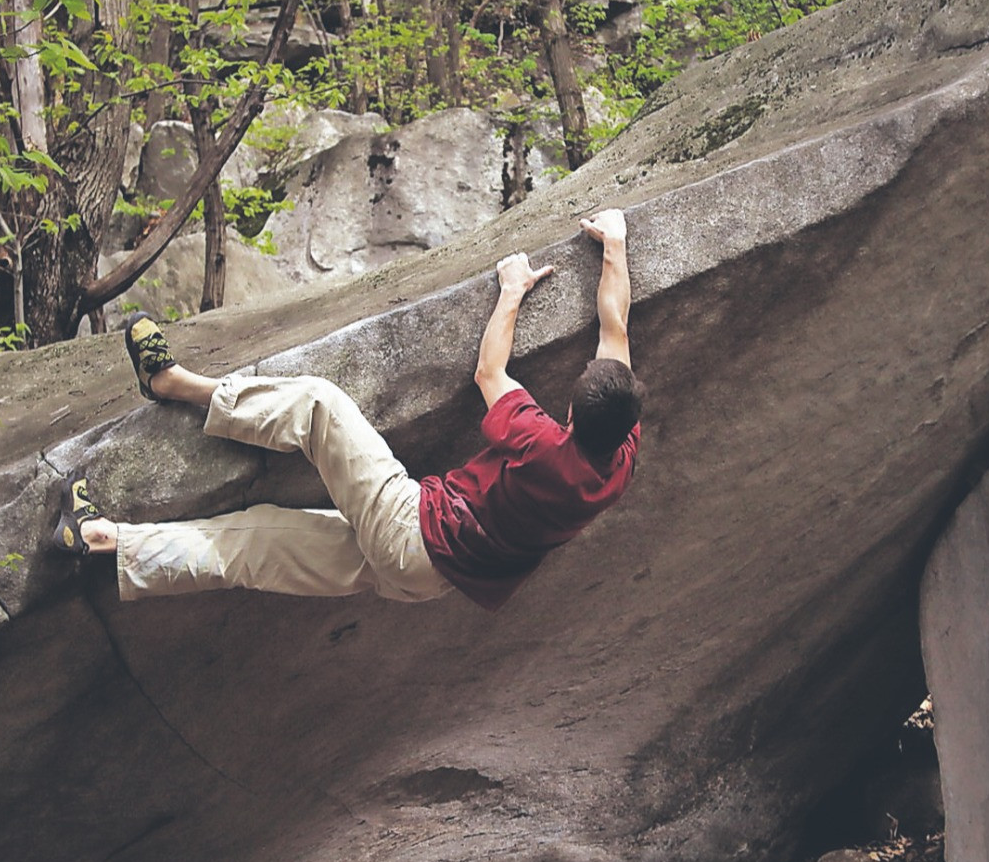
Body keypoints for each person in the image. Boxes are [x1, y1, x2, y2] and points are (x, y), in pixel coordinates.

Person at [51, 208, 644, 611]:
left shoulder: (542, 443)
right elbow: (613, 327)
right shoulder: (618, 462)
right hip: (429, 580)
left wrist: (511, 290)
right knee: (250, 544)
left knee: (320, 404)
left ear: (571, 412)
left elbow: (491, 372)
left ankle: (173, 384)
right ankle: (104, 540)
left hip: (414, 531)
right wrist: (614, 246)